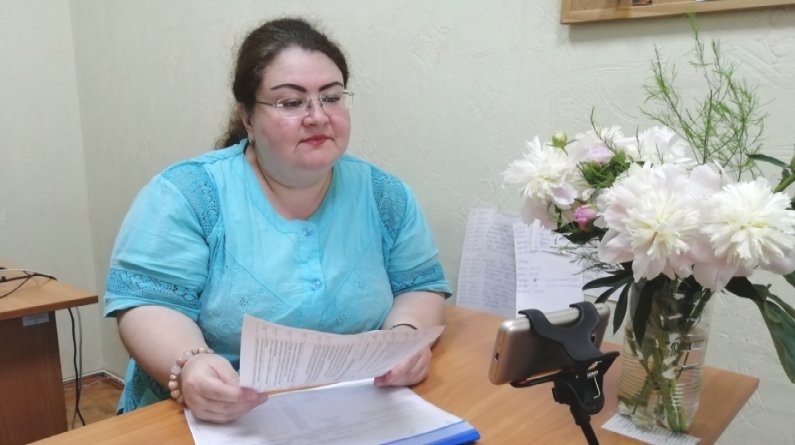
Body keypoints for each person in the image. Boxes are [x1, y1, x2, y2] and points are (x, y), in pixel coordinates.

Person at [103, 17, 451, 423]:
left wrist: (405, 339)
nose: (318, 116)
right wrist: (191, 363)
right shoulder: (187, 194)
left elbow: (419, 286)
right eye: (291, 102)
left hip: (350, 409)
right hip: (208, 417)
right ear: (248, 117)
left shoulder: (385, 195)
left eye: (331, 97)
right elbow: (148, 305)